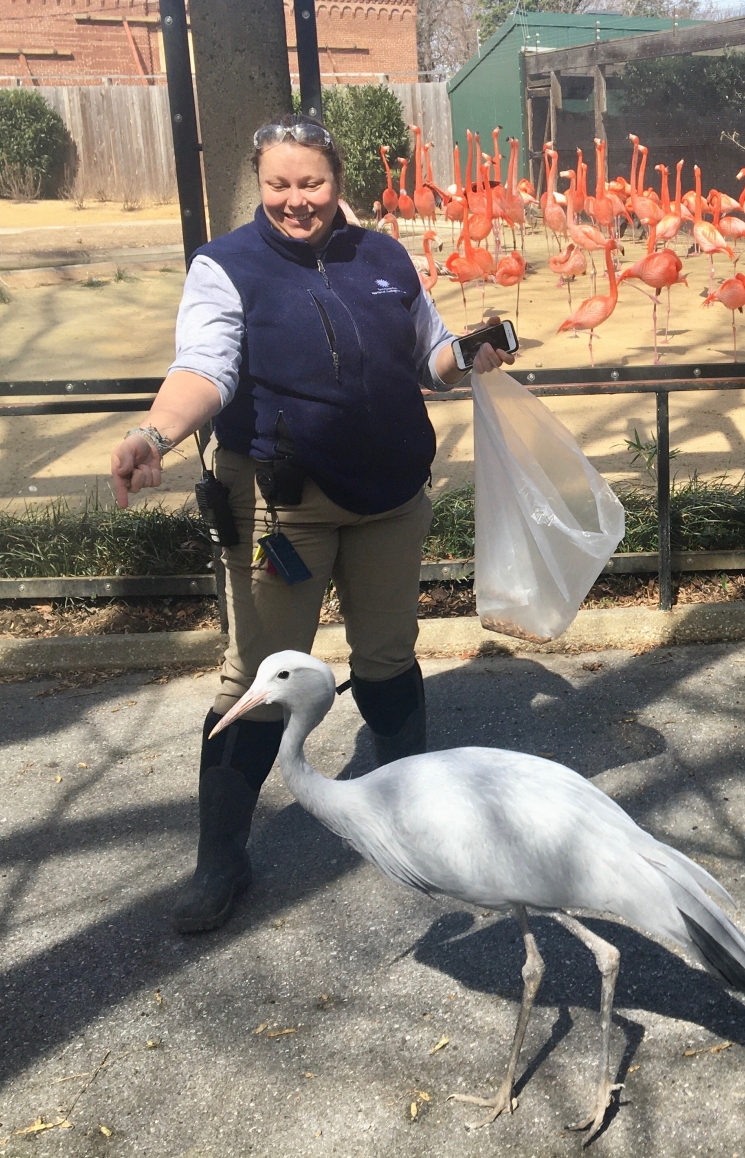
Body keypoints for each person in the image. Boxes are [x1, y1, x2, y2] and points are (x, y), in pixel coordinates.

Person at [109, 115, 514, 934]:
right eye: (280, 185)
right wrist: (155, 434)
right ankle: (221, 856)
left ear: (338, 182)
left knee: (390, 659)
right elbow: (204, 367)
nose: (298, 201)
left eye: (313, 183)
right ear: (260, 186)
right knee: (256, 679)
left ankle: (421, 831)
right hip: (278, 506)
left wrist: (466, 352)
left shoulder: (384, 256)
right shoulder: (227, 266)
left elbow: (424, 358)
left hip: (391, 497)